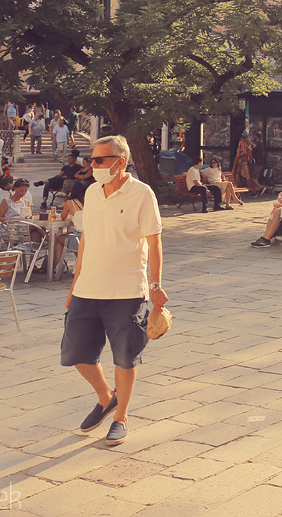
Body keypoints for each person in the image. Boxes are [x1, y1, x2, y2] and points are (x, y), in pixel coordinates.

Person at [61, 134, 166, 447]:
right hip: (87, 287)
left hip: (126, 290)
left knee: (125, 356)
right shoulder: (92, 192)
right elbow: (86, 241)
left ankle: (121, 416)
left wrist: (156, 284)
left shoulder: (142, 194)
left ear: (120, 162)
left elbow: (155, 241)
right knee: (75, 352)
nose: (92, 166)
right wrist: (74, 283)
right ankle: (106, 396)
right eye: (91, 159)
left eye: (99, 160)